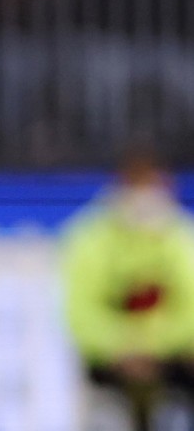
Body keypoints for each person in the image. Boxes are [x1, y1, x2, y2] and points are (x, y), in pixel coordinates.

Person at [61, 146, 194, 431]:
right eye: (137, 186)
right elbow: (80, 313)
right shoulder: (89, 238)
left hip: (172, 363)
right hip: (110, 366)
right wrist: (122, 348)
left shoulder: (182, 236)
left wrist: (153, 348)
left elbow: (190, 310)